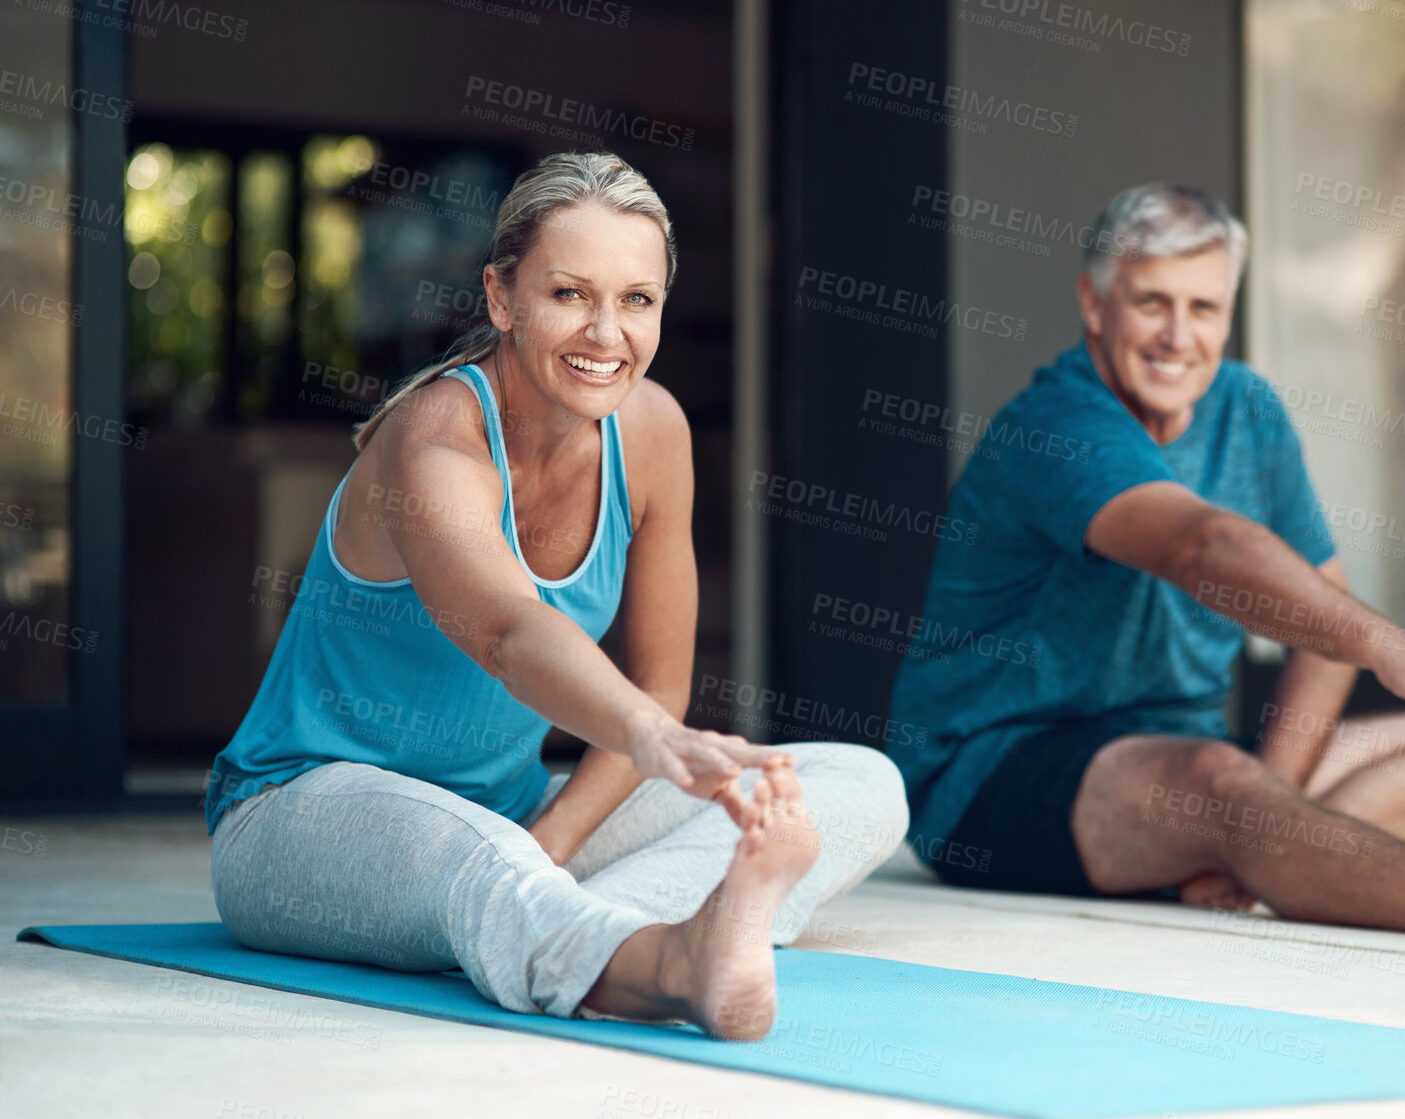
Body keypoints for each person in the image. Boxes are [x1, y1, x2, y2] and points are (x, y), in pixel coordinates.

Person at [205, 151, 908, 1039]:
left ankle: (554, 916)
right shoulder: (433, 439)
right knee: (479, 861)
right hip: (298, 816)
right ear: (501, 299)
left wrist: (557, 840)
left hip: (510, 816)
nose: (606, 333)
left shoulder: (652, 433)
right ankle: (662, 962)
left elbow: (659, 689)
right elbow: (508, 632)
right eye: (570, 294)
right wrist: (653, 739)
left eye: (636, 299)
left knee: (858, 783)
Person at [886, 184, 1405, 944]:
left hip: (1191, 756)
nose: (1177, 335)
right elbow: (1199, 545)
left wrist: (1269, 803)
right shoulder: (1057, 422)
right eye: (1152, 302)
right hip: (992, 770)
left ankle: (1257, 860)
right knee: (1215, 786)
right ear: (1094, 303)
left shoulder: (1246, 407)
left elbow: (1321, 622)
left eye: (1204, 308)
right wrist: (1395, 649)